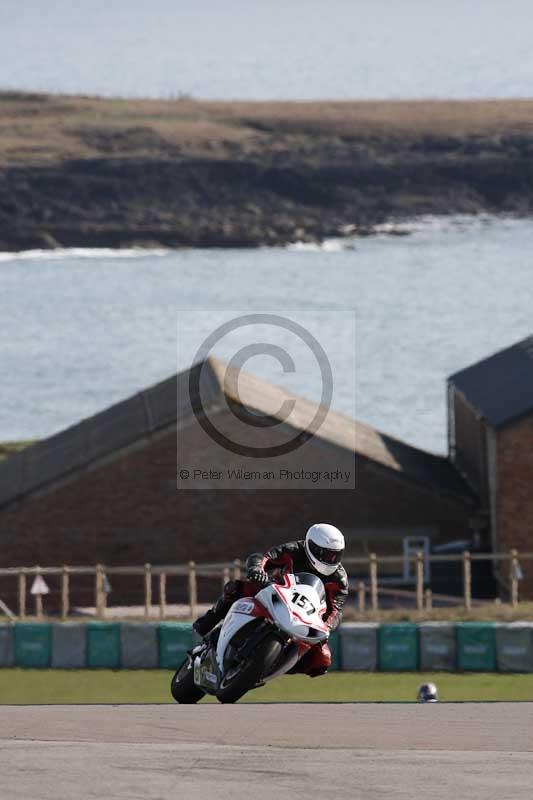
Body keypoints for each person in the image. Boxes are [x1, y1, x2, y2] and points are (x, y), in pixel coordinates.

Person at [193, 523, 348, 677]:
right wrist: (257, 569)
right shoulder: (294, 550)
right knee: (235, 589)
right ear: (313, 547)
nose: (332, 560)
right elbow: (264, 558)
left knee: (322, 661)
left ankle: (274, 663)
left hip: (305, 615)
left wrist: (326, 625)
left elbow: (336, 609)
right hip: (275, 591)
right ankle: (208, 622)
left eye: (336, 555)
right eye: (327, 555)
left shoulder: (339, 579)